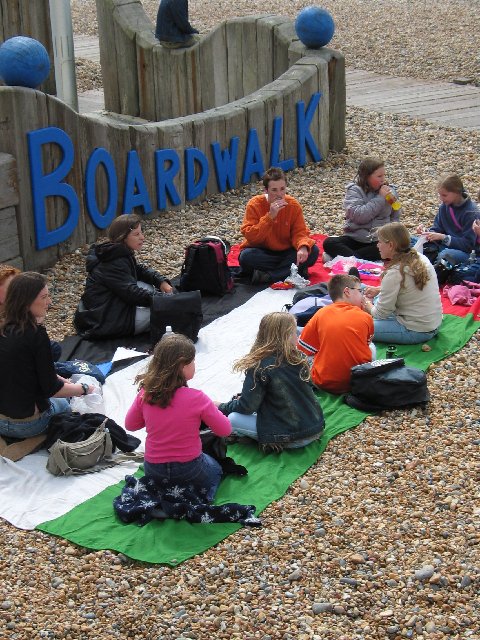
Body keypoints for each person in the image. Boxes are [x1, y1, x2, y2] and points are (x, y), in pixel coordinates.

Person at [125, 333, 231, 501]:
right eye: (193, 361)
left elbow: (130, 425)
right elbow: (225, 429)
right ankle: (199, 496)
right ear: (182, 365)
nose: (195, 365)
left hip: (153, 469)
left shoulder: (145, 394)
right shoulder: (197, 398)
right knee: (216, 468)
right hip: (189, 467)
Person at [0, 272, 95, 440]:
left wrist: (58, 378)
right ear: (26, 301)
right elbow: (52, 389)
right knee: (64, 404)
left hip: (2, 420)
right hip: (26, 425)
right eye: (44, 297)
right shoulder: (35, 335)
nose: (49, 302)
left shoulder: (4, 328)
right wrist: (85, 389)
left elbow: (26, 370)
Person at [217, 312, 324, 449]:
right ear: (285, 336)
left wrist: (220, 406)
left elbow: (246, 407)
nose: (297, 336)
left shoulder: (259, 367)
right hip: (316, 426)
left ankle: (267, 441)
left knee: (232, 418)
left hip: (292, 437)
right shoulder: (299, 358)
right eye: (294, 332)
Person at [74, 214, 173, 339]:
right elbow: (132, 293)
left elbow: (139, 270)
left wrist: (160, 281)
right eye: (136, 234)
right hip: (103, 320)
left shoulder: (117, 252)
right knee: (165, 313)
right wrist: (164, 300)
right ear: (123, 237)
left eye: (141, 233)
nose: (142, 238)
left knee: (150, 288)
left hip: (107, 305)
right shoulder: (114, 261)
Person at [362, 223, 443, 344]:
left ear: (390, 245)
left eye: (379, 242)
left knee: (359, 327)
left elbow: (380, 314)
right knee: (372, 293)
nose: (377, 246)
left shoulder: (395, 272)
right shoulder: (420, 257)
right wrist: (379, 289)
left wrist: (367, 304)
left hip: (416, 330)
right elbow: (409, 286)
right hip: (432, 322)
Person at [238, 167, 319, 284]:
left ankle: (269, 276)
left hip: (287, 250)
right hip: (263, 251)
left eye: (282, 189)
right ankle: (292, 271)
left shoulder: (293, 205)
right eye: (274, 190)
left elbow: (300, 232)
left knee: (313, 251)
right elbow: (251, 237)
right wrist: (269, 217)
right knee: (246, 257)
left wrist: (302, 247)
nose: (279, 194)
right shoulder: (254, 204)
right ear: (266, 190)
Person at [298, 274, 374, 394]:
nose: (362, 295)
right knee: (372, 348)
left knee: (306, 351)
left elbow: (303, 349)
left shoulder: (321, 313)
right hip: (358, 380)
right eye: (360, 291)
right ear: (347, 292)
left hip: (323, 382)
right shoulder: (365, 316)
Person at [323, 157, 402, 262]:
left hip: (378, 241)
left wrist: (391, 237)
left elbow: (395, 217)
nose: (383, 179)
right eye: (379, 176)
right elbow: (360, 216)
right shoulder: (354, 191)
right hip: (355, 238)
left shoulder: (390, 191)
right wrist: (380, 198)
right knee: (329, 243)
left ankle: (343, 259)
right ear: (366, 177)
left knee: (393, 248)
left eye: (384, 175)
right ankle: (357, 260)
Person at [416, 174, 479, 267]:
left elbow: (468, 245)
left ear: (457, 192)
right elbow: (437, 229)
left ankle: (432, 273)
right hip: (444, 246)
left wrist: (443, 238)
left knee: (446, 256)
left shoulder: (471, 213)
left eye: (444, 195)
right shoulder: (444, 207)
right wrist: (427, 234)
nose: (441, 198)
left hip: (466, 253)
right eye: (440, 195)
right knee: (410, 241)